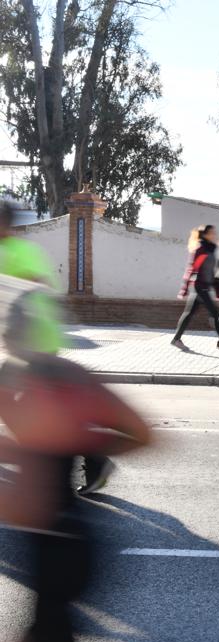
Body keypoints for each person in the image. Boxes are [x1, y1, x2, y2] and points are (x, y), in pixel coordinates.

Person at [0, 281, 152, 642]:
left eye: (11, 326)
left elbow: (146, 435)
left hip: (60, 548)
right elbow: (143, 436)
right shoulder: (43, 380)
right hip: (60, 545)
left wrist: (75, 438)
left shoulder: (30, 384)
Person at [0, 201, 113, 496]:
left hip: (33, 344)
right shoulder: (25, 250)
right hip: (30, 343)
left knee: (34, 408)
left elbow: (33, 286)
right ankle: (82, 460)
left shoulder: (14, 252)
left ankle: (85, 461)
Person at [172, 225, 219, 351]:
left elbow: (211, 265)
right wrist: (184, 288)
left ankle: (176, 339)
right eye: (211, 233)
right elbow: (192, 269)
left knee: (188, 313)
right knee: (216, 315)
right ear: (205, 235)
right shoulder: (201, 249)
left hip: (203, 287)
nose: (214, 235)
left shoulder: (209, 248)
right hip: (200, 287)